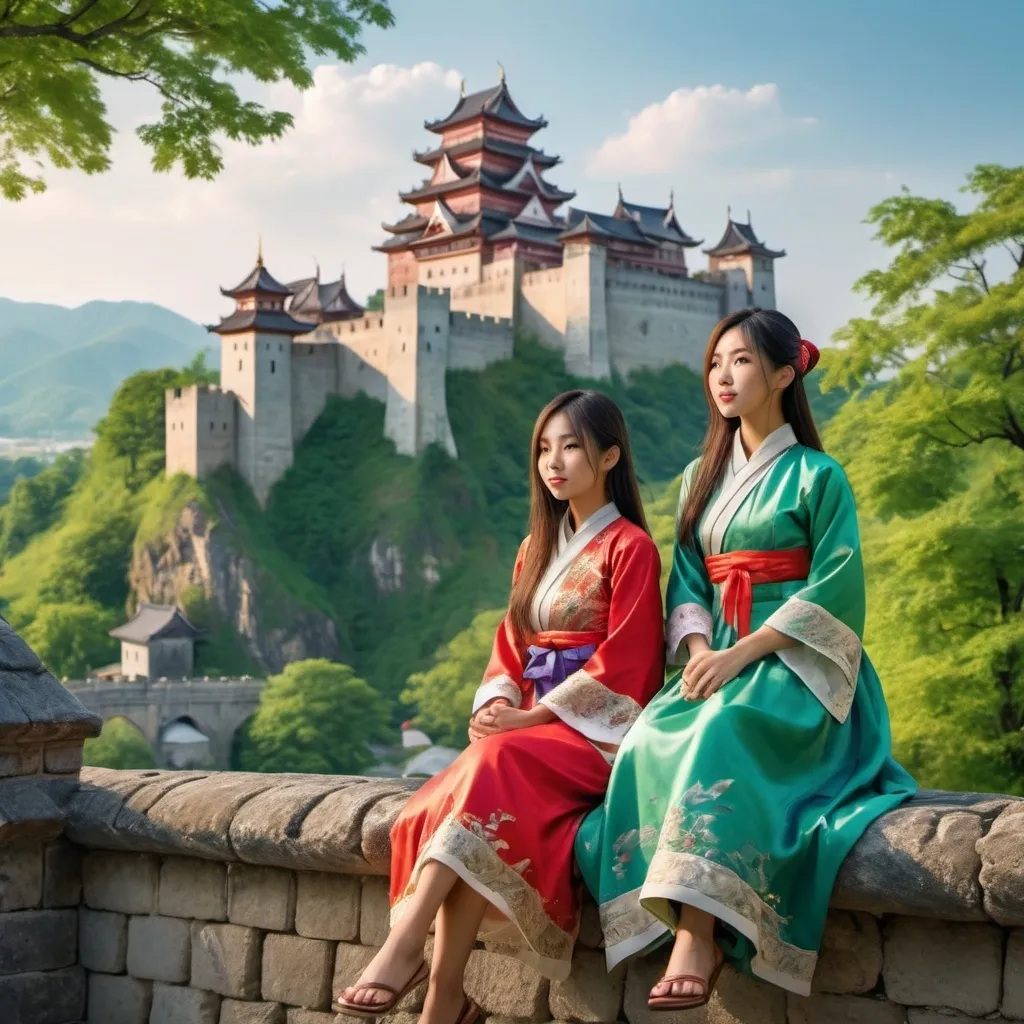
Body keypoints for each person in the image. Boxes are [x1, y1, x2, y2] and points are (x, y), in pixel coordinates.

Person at [575, 308, 917, 1010]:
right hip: (719, 658)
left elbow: (837, 584)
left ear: (784, 374)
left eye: (741, 362)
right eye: (715, 363)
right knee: (646, 738)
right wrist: (702, 649)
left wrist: (745, 654)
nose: (722, 377)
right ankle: (667, 911)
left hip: (795, 668)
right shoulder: (703, 474)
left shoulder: (819, 476)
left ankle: (698, 935)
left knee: (720, 731)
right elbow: (691, 579)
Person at [335, 389, 665, 1024]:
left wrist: (531, 718)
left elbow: (630, 664)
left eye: (572, 446)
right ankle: (444, 998)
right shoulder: (533, 548)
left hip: (593, 734)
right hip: (525, 730)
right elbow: (510, 644)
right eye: (545, 447)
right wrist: (497, 702)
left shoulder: (631, 549)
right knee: (468, 802)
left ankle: (405, 948)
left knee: (488, 770)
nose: (555, 461)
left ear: (610, 456)